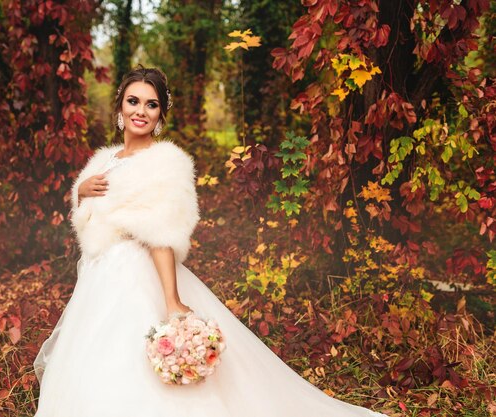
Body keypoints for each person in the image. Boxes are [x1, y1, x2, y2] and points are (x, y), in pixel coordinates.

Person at [33, 66, 388, 416]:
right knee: (97, 358)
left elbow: (161, 232)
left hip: (135, 273)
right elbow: (92, 220)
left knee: (133, 355)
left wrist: (171, 301)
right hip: (100, 276)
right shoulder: (105, 160)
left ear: (161, 115)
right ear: (120, 108)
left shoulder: (166, 162)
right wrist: (80, 190)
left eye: (151, 104)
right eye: (133, 101)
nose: (141, 111)